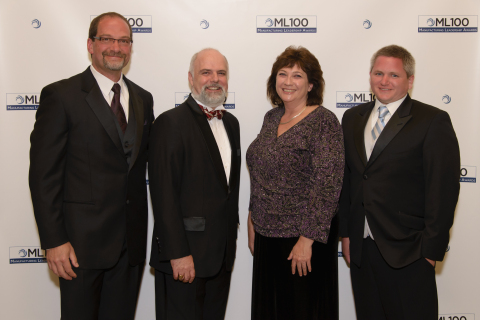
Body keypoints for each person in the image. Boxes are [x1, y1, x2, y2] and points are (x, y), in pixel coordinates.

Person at [29, 12, 154, 320]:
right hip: (79, 247)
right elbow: (43, 176)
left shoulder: (143, 98)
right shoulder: (61, 96)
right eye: (107, 39)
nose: (116, 47)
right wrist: (54, 241)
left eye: (124, 41)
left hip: (130, 247)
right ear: (90, 44)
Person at [339, 45, 460, 320]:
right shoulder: (351, 118)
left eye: (393, 75)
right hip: (362, 248)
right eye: (378, 73)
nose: (384, 81)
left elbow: (443, 190)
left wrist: (430, 251)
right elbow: (348, 179)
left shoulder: (432, 121)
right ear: (370, 75)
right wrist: (346, 234)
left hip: (410, 250)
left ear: (410, 80)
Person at [246, 46, 344, 320]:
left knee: (301, 310)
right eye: (283, 73)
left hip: (303, 243)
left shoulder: (324, 122)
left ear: (311, 84)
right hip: (267, 237)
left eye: (297, 75)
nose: (288, 81)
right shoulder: (272, 117)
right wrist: (253, 220)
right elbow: (261, 171)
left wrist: (307, 240)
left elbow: (328, 184)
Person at [148, 48, 241, 320]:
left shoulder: (232, 124)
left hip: (221, 258)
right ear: (191, 79)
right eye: (206, 72)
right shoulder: (170, 123)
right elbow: (163, 194)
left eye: (221, 73)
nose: (215, 79)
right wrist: (178, 254)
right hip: (184, 257)